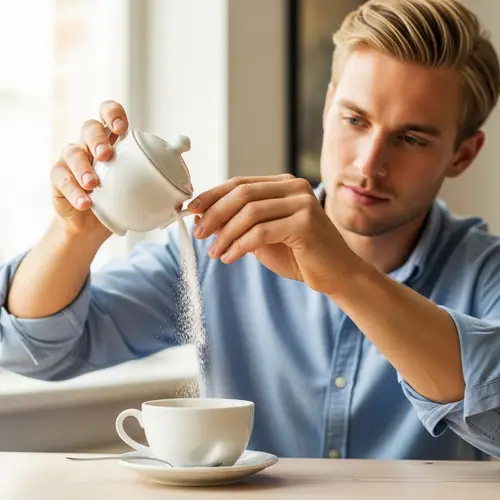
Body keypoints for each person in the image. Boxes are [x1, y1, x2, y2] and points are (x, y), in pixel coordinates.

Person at [2, 0, 500, 461]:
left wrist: (347, 278)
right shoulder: (224, 249)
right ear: (328, 108)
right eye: (354, 119)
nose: (369, 164)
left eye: (411, 138)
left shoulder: (485, 273)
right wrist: (78, 232)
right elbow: (33, 351)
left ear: (463, 154)